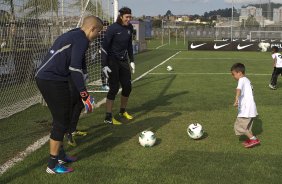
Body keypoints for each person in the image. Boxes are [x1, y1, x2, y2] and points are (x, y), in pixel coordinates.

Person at [35, 16, 103, 174]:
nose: (98, 36)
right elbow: (74, 68)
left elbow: (77, 62)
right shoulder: (82, 39)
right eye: (98, 32)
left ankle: (60, 155)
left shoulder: (76, 34)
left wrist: (83, 80)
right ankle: (52, 165)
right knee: (61, 121)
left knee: (63, 118)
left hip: (51, 78)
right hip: (50, 79)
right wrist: (84, 95)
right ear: (92, 29)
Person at [101, 7, 135, 125]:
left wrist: (132, 60)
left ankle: (122, 111)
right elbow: (104, 47)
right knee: (114, 88)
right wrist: (104, 65)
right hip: (112, 61)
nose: (129, 19)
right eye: (127, 17)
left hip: (123, 61)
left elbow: (129, 45)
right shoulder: (112, 28)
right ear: (121, 17)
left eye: (130, 17)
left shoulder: (130, 28)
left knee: (127, 87)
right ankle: (108, 116)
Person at [231, 63, 260, 148]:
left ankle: (253, 139)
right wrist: (239, 103)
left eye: (233, 74)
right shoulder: (247, 80)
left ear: (239, 72)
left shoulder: (241, 80)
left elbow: (238, 89)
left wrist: (236, 98)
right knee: (245, 126)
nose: (233, 76)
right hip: (250, 108)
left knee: (239, 126)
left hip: (246, 110)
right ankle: (251, 139)